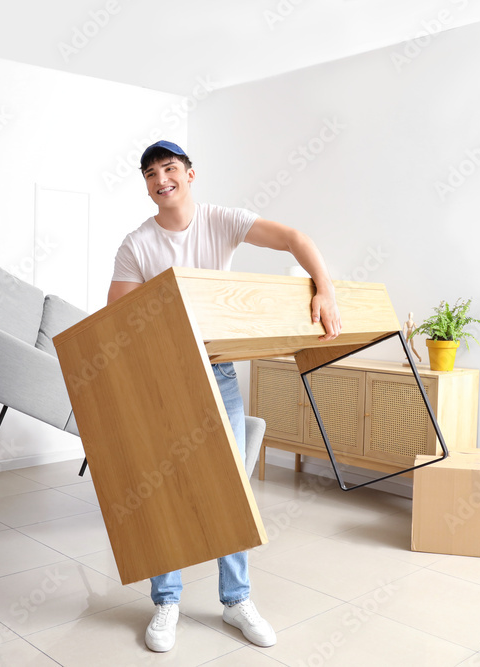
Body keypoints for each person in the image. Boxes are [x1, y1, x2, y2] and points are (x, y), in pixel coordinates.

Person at [108, 140, 342, 652]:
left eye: (169, 168)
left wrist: (323, 287)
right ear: (146, 185)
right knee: (166, 489)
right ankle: (167, 601)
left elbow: (295, 238)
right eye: (151, 173)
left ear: (190, 174)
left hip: (220, 372)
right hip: (164, 377)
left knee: (231, 487)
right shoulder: (137, 244)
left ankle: (236, 600)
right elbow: (116, 321)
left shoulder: (222, 220)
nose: (161, 179)